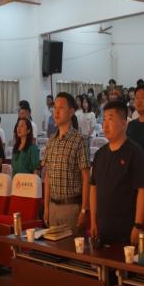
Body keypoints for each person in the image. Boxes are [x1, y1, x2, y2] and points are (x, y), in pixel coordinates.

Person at [90, 100, 144, 246]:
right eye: (104, 120)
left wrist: (138, 225)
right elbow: (93, 188)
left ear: (123, 123)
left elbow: (142, 190)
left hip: (126, 230)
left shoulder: (135, 152)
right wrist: (93, 221)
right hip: (102, 228)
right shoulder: (99, 154)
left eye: (110, 119)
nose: (105, 125)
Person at [43, 92, 90, 233]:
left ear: (71, 112)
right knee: (53, 246)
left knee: (71, 246)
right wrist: (46, 207)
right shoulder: (51, 141)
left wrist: (84, 210)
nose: (56, 112)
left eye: (61, 108)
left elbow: (86, 178)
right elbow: (47, 176)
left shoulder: (79, 140)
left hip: (71, 208)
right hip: (53, 207)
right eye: (55, 108)